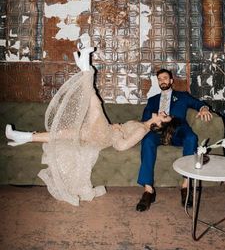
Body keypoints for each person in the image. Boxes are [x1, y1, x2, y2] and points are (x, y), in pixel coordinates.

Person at [5, 46, 162, 206]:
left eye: (164, 116)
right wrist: (118, 127)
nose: (162, 112)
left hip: (104, 135)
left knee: (95, 105)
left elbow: (122, 146)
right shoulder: (142, 123)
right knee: (61, 133)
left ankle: (86, 67)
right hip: (100, 133)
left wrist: (117, 131)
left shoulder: (143, 129)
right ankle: (22, 136)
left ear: (159, 124)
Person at [136, 68, 212, 212]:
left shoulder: (182, 96)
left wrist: (203, 108)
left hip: (178, 129)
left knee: (191, 137)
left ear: (171, 81)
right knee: (147, 141)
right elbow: (145, 119)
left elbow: (197, 104)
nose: (162, 81)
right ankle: (148, 190)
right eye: (159, 79)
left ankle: (186, 185)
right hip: (158, 130)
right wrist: (155, 120)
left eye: (165, 78)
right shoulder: (153, 100)